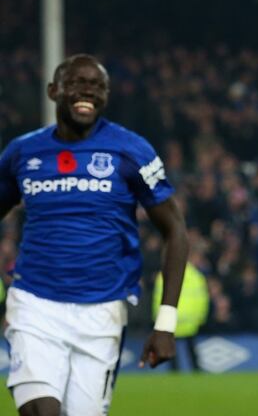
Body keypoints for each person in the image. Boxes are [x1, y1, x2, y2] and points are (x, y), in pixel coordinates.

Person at [0, 54, 189, 416]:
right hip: (34, 305)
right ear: (54, 91)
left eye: (98, 86)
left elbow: (175, 230)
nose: (88, 91)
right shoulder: (23, 152)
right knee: (41, 410)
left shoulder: (130, 150)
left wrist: (165, 323)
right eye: (77, 83)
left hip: (102, 312)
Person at [153, 258, 210, 372]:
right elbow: (203, 299)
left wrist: (157, 319)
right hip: (190, 321)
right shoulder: (196, 276)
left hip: (170, 320)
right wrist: (201, 317)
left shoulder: (163, 276)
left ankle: (175, 373)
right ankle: (197, 372)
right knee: (191, 349)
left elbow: (158, 299)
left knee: (171, 350)